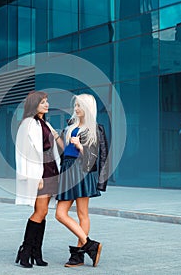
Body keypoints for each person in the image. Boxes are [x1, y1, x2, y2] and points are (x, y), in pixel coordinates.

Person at [55, 93, 109, 268]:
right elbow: (65, 151)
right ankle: (90, 245)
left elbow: (96, 157)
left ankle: (78, 255)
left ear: (87, 108)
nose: (76, 109)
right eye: (75, 105)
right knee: (60, 214)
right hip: (67, 170)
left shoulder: (96, 129)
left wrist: (80, 147)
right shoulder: (71, 125)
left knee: (82, 214)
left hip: (81, 171)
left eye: (79, 106)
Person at [15, 91, 61, 268]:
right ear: (34, 105)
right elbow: (25, 153)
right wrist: (36, 176)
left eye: (47, 101)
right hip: (40, 171)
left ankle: (36, 252)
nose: (47, 104)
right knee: (40, 211)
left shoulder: (45, 123)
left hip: (51, 170)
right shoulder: (28, 124)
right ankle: (26, 251)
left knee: (43, 211)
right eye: (43, 102)